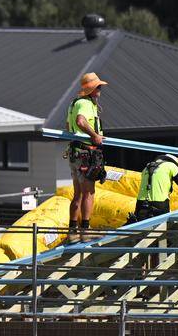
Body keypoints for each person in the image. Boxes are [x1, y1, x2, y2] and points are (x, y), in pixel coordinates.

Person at [65, 72, 107, 243]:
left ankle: (73, 231)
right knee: (89, 193)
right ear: (92, 89)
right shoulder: (85, 103)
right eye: (98, 87)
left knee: (78, 194)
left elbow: (68, 126)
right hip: (85, 153)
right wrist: (95, 135)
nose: (100, 89)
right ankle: (85, 231)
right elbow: (81, 121)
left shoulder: (74, 103)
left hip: (75, 152)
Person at [130, 154, 178, 223]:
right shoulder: (171, 166)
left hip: (141, 204)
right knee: (164, 227)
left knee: (140, 227)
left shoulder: (146, 168)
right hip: (159, 204)